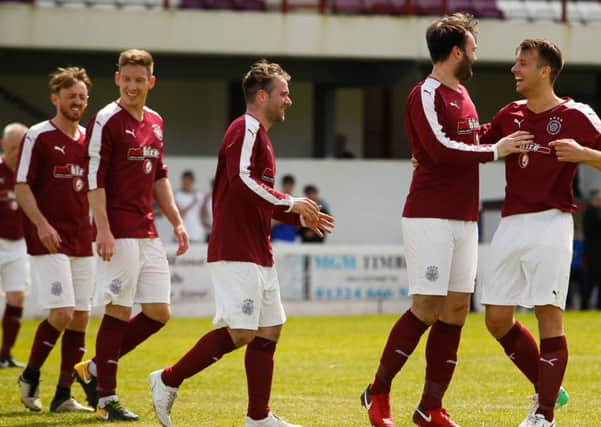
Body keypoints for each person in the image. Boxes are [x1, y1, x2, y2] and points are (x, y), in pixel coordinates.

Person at [360, 13, 529, 427]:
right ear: (456, 51)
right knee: (426, 307)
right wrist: (496, 150)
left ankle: (429, 407)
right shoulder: (425, 93)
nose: (475, 54)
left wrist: (506, 124)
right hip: (429, 216)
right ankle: (376, 392)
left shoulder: (463, 94)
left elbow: (470, 139)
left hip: (463, 217)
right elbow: (438, 149)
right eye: (472, 48)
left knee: (455, 310)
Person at [148, 59, 334, 427]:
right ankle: (168, 379)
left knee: (269, 329)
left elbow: (256, 196)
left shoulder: (261, 136)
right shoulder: (245, 127)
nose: (289, 101)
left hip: (258, 250)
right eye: (284, 94)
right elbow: (240, 180)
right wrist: (289, 201)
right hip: (235, 249)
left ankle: (258, 418)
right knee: (242, 332)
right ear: (261, 96)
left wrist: (299, 216)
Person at [479, 39, 601, 427]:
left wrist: (585, 154)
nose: (515, 69)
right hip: (511, 223)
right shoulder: (508, 114)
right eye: (516, 62)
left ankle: (543, 414)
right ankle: (548, 385)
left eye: (523, 64)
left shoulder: (578, 115)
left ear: (545, 70)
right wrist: (432, 151)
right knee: (496, 318)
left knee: (549, 316)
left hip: (552, 221)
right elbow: (475, 143)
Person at [74, 49, 189, 421]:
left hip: (148, 228)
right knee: (119, 310)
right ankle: (106, 398)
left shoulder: (156, 121)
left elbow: (159, 176)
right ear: (117, 79)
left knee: (158, 312)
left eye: (141, 80)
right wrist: (103, 229)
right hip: (117, 228)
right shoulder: (105, 120)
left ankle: (92, 369)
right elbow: (94, 180)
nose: (134, 86)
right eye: (128, 79)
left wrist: (176, 220)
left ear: (151, 82)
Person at [15, 67, 95, 413]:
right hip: (48, 238)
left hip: (83, 238)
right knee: (61, 313)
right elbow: (21, 186)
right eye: (70, 96)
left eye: (81, 96)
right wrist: (42, 225)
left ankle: (63, 395)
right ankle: (30, 376)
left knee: (80, 316)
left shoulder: (89, 138)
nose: (76, 101)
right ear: (55, 99)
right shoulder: (38, 136)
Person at [0, 122, 28, 368]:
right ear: (2, 146)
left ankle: (5, 354)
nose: (16, 153)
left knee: (17, 297)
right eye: (11, 148)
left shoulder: (31, 175)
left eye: (20, 148)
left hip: (19, 244)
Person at [582, 189, 601, 309]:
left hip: (596, 253)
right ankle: (584, 305)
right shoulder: (590, 212)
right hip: (593, 254)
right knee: (590, 282)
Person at [174, 170, 205, 243]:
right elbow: (179, 214)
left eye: (189, 180)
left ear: (192, 181)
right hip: (181, 234)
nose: (186, 183)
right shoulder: (177, 194)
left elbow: (202, 214)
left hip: (197, 234)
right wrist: (192, 203)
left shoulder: (199, 195)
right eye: (185, 180)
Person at [270, 174, 298, 243]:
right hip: (278, 239)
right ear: (283, 185)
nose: (289, 188)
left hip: (291, 239)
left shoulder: (295, 202)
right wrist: (284, 217)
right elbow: (270, 223)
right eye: (287, 185)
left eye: (291, 186)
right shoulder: (276, 201)